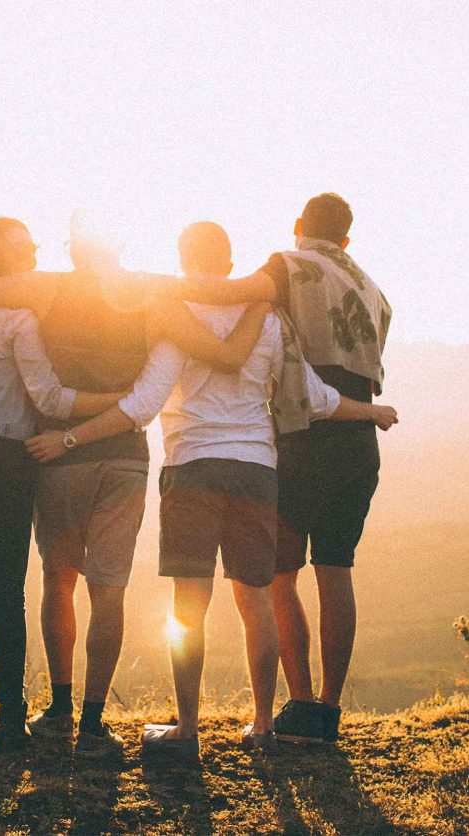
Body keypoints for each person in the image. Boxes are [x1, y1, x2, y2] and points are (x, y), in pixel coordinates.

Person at [25, 220, 398, 757]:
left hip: (192, 468)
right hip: (256, 471)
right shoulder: (268, 319)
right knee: (256, 601)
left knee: (189, 606)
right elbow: (314, 397)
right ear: (229, 264)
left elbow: (142, 405)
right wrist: (372, 411)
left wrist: (70, 437)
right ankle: (264, 725)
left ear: (182, 259)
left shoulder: (176, 317)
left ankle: (187, 730)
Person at [0, 218, 270, 758]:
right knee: (109, 588)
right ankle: (94, 725)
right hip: (124, 457)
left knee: (59, 578)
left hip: (58, 457)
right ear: (119, 245)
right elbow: (217, 321)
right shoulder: (149, 290)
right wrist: (262, 294)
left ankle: (60, 708)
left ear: (74, 250)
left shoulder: (48, 286)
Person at [156, 194, 394, 743]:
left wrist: (151, 289)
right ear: (347, 239)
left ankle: (298, 705)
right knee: (336, 570)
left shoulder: (288, 266)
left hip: (302, 435)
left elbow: (230, 293)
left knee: (276, 578)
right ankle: (326, 712)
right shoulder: (375, 290)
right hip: (356, 438)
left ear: (297, 227)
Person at [0, 217, 132, 751]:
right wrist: (120, 402)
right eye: (29, 249)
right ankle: (12, 721)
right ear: (9, 260)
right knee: (4, 596)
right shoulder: (18, 319)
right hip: (2, 465)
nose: (36, 257)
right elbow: (51, 400)